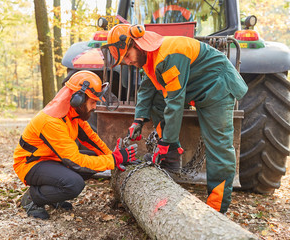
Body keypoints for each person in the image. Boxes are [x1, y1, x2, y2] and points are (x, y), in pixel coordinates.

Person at [101, 24, 248, 214]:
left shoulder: (169, 55)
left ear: (138, 45)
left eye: (127, 56)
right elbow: (147, 88)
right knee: (155, 102)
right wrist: (138, 120)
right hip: (195, 88)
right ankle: (170, 158)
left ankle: (216, 209)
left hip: (217, 86)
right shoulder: (150, 58)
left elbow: (175, 104)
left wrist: (165, 141)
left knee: (218, 146)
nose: (127, 62)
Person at [13, 70, 138, 219]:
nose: (95, 106)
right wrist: (114, 160)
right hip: (30, 164)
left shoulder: (73, 113)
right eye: (92, 102)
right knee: (74, 184)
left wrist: (111, 155)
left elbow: (90, 138)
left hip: (50, 159)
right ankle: (32, 198)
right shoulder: (51, 121)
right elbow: (75, 162)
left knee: (93, 160)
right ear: (77, 99)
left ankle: (53, 197)